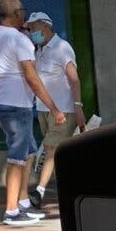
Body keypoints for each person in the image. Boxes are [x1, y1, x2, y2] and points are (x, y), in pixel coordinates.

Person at [0, 0, 65, 226]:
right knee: (17, 156)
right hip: (18, 104)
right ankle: (11, 211)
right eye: (23, 12)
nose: (25, 17)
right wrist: (54, 108)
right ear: (17, 14)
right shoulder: (20, 41)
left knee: (29, 152)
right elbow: (31, 77)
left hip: (1, 101)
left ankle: (24, 203)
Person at [24, 12, 85, 211]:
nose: (31, 32)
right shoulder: (38, 51)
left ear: (46, 26)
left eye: (34, 27)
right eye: (29, 28)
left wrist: (78, 107)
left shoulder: (62, 48)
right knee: (57, 152)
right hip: (43, 110)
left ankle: (39, 191)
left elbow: (74, 79)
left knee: (50, 149)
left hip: (62, 111)